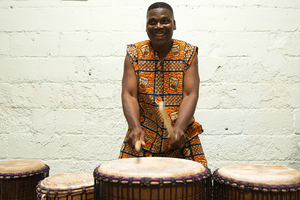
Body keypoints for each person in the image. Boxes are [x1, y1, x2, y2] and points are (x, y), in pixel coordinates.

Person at [118, 2, 207, 167]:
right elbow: (129, 94)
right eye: (152, 22)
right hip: (143, 134)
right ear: (146, 26)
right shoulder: (134, 53)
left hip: (181, 135)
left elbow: (190, 94)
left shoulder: (188, 53)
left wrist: (179, 128)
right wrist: (134, 127)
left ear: (174, 24)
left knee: (198, 186)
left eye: (165, 21)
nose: (158, 26)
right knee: (121, 185)